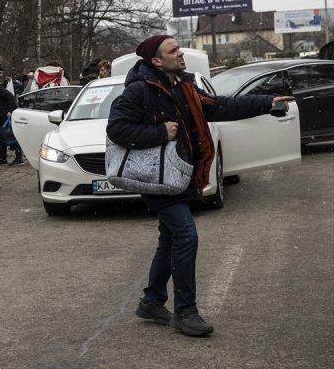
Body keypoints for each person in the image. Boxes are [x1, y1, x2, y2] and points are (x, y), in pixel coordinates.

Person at [107, 35, 294, 337]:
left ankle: (152, 301)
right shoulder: (139, 90)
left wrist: (266, 102)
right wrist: (159, 132)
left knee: (170, 238)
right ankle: (185, 312)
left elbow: (219, 106)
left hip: (181, 174)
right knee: (185, 235)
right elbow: (116, 129)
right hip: (157, 178)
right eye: (173, 51)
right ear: (156, 61)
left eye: (178, 49)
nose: (180, 54)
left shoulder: (184, 85)